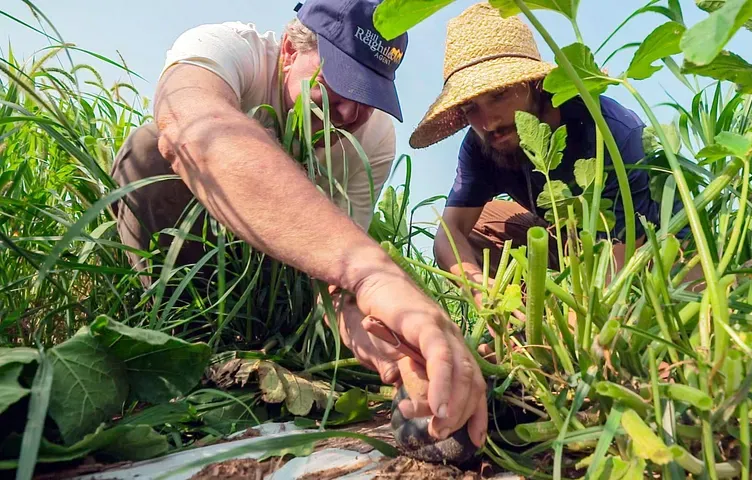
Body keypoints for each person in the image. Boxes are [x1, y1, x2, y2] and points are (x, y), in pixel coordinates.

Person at [109, 0, 487, 447]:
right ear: (289, 49)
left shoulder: (374, 139)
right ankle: (173, 336)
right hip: (196, 243)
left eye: (366, 95)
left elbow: (332, 284)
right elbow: (191, 127)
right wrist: (373, 273)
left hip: (285, 271)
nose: (348, 114)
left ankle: (268, 338)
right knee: (147, 151)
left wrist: (387, 344)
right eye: (336, 85)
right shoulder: (229, 48)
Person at [409, 3, 685, 307]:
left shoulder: (608, 130)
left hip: (651, 247)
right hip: (570, 243)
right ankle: (523, 319)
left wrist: (583, 320)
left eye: (498, 95)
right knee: (478, 226)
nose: (487, 122)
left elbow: (619, 256)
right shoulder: (483, 143)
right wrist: (479, 289)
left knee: (674, 292)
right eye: (470, 108)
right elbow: (449, 234)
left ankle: (562, 327)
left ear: (534, 83)